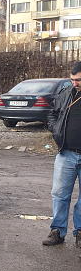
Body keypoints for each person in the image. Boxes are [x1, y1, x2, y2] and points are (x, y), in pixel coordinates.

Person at [43, 61, 81, 246]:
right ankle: (57, 230)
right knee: (59, 194)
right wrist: (55, 129)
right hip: (66, 153)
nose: (75, 83)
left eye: (79, 80)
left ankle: (80, 232)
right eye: (73, 79)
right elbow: (52, 113)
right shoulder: (66, 94)